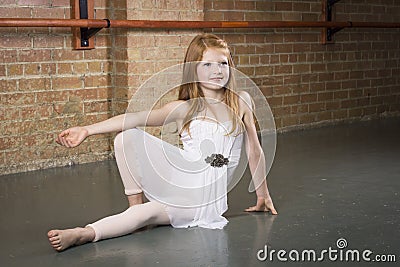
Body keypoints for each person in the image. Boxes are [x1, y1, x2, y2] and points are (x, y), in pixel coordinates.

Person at [48, 33, 277, 252]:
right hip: (182, 177)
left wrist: (263, 194)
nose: (217, 70)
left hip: (202, 198)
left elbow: (254, 151)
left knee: (146, 215)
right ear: (193, 70)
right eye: (207, 65)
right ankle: (132, 207)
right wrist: (87, 130)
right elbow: (135, 118)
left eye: (223, 63)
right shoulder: (183, 108)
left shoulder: (241, 102)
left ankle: (84, 233)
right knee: (126, 137)